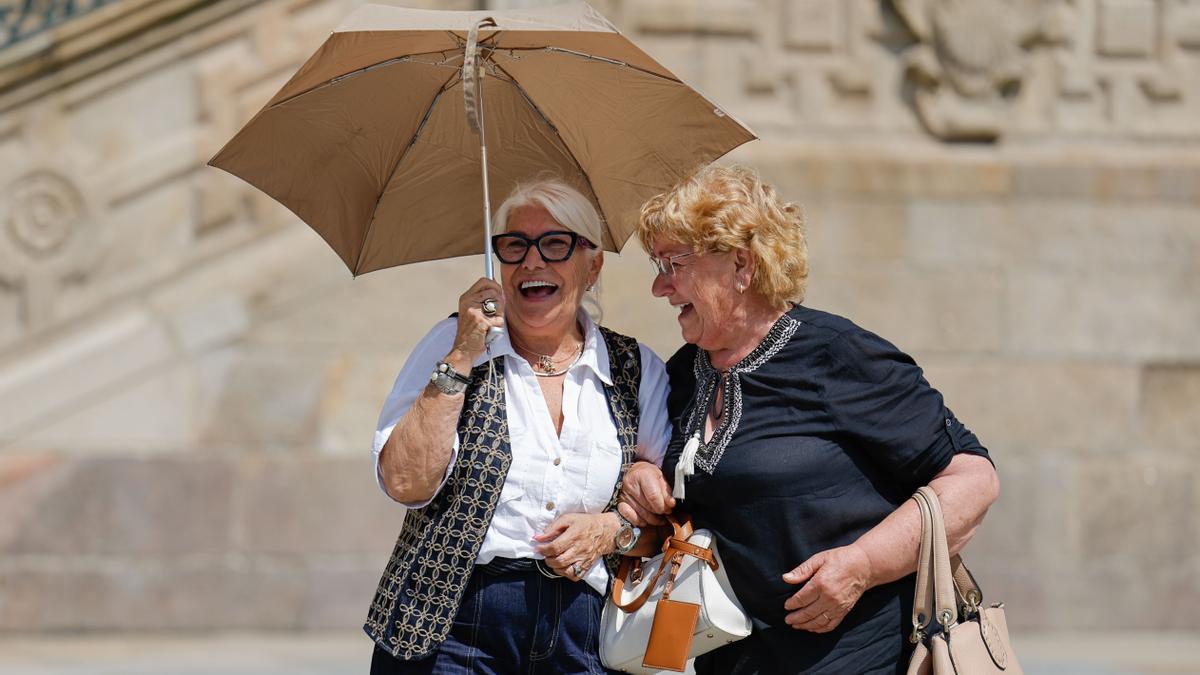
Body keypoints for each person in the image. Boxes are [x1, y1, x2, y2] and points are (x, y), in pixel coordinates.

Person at [618, 165, 1001, 674]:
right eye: (657, 264)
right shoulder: (682, 375)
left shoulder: (837, 355)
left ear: (741, 264)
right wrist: (642, 476)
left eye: (674, 263)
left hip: (858, 659)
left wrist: (864, 564)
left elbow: (973, 477)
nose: (658, 287)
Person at [364, 179, 671, 674]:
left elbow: (664, 515)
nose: (532, 261)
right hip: (453, 625)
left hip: (584, 629)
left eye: (555, 244)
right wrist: (462, 354)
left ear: (592, 266)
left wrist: (612, 529)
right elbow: (404, 482)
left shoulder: (636, 369)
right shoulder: (453, 344)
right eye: (514, 246)